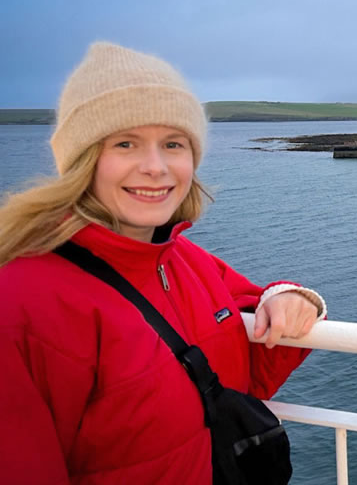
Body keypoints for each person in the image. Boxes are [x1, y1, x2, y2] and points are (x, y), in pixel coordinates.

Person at [0, 42, 327, 484]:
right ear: (82, 161)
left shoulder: (181, 259)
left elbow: (244, 367)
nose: (155, 167)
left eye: (173, 143)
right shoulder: (21, 301)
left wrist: (290, 297)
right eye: (126, 143)